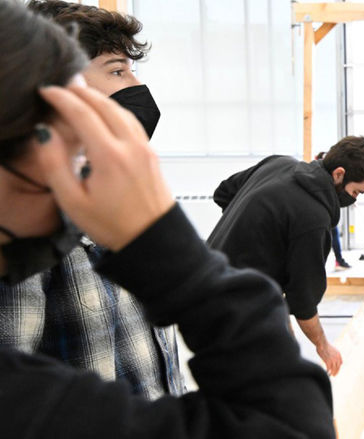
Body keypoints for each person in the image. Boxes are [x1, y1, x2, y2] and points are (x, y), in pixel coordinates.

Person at [0, 1, 334, 436]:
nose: (136, 87)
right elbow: (288, 422)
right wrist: (165, 244)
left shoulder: (99, 225)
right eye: (117, 71)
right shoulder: (34, 249)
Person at [0, 0, 181, 400]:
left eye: (132, 70)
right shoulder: (30, 221)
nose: (135, 88)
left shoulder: (113, 202)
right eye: (117, 71)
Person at [208, 137, 364, 376]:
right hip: (235, 309)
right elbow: (303, 301)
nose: (354, 200)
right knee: (261, 382)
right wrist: (324, 347)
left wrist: (248, 234)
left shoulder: (278, 164)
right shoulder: (314, 219)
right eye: (355, 192)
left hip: (208, 275)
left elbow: (223, 193)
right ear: (338, 174)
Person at [315, 151, 352, 270]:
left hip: (328, 209)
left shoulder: (325, 173)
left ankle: (338, 261)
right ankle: (337, 261)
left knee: (332, 235)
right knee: (327, 237)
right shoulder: (321, 174)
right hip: (323, 210)